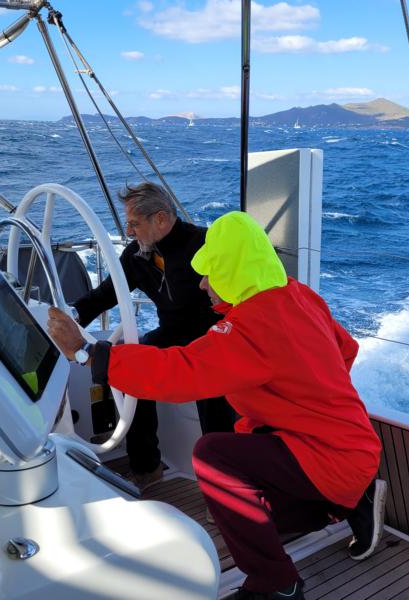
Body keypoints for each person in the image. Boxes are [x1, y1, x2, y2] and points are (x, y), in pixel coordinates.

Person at [48, 210, 386, 600]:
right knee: (253, 503)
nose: (203, 283)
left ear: (234, 270)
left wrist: (89, 353)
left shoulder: (251, 326)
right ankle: (350, 501)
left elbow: (179, 372)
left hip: (328, 459)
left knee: (213, 455)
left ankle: (277, 585)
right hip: (356, 446)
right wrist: (294, 406)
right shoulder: (298, 295)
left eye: (211, 272)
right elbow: (346, 350)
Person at [71, 182, 237, 490]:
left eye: (134, 224)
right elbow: (105, 295)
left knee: (215, 401)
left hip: (213, 341)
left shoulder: (203, 245)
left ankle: (225, 488)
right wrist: (72, 316)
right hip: (171, 335)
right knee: (131, 367)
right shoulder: (137, 255)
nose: (128, 232)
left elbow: (237, 300)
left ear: (160, 219)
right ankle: (146, 468)